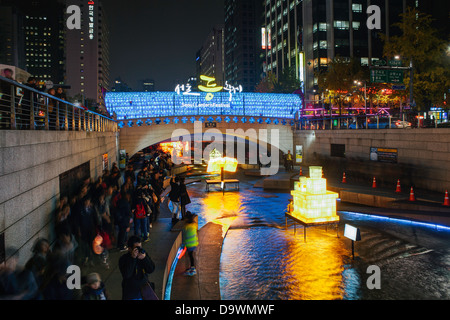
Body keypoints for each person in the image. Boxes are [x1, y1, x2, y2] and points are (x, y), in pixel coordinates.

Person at [118, 236, 156, 300]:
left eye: (140, 247)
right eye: (136, 248)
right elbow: (127, 275)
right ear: (129, 249)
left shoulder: (143, 255)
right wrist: (133, 258)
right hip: (131, 293)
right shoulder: (123, 259)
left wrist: (145, 259)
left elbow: (151, 269)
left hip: (145, 290)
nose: (139, 250)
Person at [182, 212, 198, 276]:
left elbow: (184, 235)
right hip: (194, 243)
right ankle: (192, 267)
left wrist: (183, 244)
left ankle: (192, 268)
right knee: (191, 256)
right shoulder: (194, 225)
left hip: (189, 244)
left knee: (190, 256)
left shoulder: (186, 227)